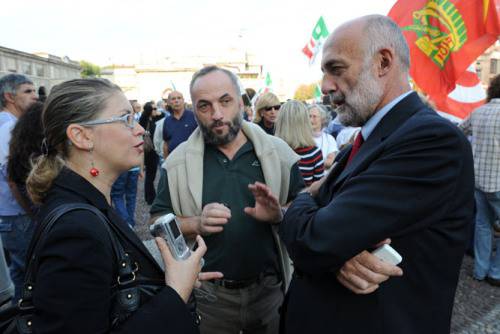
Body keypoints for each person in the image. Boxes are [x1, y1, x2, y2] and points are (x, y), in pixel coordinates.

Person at [255, 15, 473, 334]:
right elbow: (326, 236)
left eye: (336, 69)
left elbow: (316, 240)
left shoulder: (431, 141)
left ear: (383, 62)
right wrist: (337, 250)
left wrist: (306, 201)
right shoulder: (365, 141)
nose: (325, 86)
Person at [25, 78, 221, 333]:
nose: (140, 129)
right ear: (82, 136)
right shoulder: (76, 229)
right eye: (125, 119)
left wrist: (168, 277)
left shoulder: (88, 201)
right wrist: (176, 292)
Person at [150, 65, 305, 334]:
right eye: (204, 106)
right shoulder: (177, 164)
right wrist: (196, 222)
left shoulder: (279, 154)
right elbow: (156, 222)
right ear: (193, 110)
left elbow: (304, 209)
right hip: (209, 299)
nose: (217, 115)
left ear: (241, 102)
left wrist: (279, 214)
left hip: (269, 292)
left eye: (225, 101)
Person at [459, 73, 500, 287]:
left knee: (483, 225)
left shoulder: (478, 112)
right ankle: (496, 272)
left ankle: (480, 270)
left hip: (478, 180)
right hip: (498, 182)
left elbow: (457, 133)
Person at [0, 74, 38, 302]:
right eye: (27, 91)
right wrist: (30, 210)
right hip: (17, 215)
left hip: (13, 214)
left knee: (21, 273)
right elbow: (13, 178)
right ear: (9, 97)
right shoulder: (9, 128)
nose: (35, 96)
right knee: (29, 275)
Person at [275, 100, 325, 186]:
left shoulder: (272, 150)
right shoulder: (314, 153)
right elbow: (318, 190)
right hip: (304, 198)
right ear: (305, 122)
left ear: (281, 122)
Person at [139, 101, 165, 205]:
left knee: (152, 175)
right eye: (154, 109)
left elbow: (163, 116)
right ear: (149, 110)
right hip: (149, 152)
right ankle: (150, 197)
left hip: (154, 151)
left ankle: (150, 196)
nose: (156, 110)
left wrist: (159, 113)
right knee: (150, 176)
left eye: (156, 108)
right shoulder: (145, 120)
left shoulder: (154, 119)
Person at [162, 91, 197, 159]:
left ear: (183, 100)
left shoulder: (194, 116)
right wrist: (166, 162)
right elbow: (166, 143)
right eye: (173, 99)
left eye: (179, 98)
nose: (176, 101)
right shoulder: (167, 121)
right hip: (174, 161)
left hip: (193, 159)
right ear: (169, 102)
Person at [308, 104, 339, 169]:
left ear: (322, 119)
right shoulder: (302, 137)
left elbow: (330, 162)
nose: (311, 120)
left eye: (314, 116)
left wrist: (309, 161)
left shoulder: (329, 139)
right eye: (309, 116)